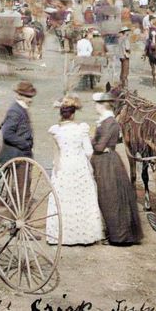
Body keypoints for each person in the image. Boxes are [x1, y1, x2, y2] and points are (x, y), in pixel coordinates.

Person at [46, 95, 104, 245]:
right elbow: (89, 151)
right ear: (73, 114)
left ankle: (61, 235)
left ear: (62, 114)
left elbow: (56, 153)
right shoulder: (81, 129)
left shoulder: (56, 131)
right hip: (78, 166)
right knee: (80, 197)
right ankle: (83, 235)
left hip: (63, 165)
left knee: (63, 198)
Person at [90, 92, 143, 245]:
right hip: (104, 160)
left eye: (97, 104)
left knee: (110, 199)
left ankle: (117, 237)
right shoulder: (105, 121)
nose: (95, 107)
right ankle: (112, 233)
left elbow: (99, 146)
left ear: (103, 105)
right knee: (107, 197)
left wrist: (90, 140)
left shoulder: (110, 122)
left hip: (107, 163)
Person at [0, 81, 37, 164]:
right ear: (19, 96)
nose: (30, 100)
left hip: (22, 155)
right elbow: (7, 134)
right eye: (28, 97)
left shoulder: (21, 109)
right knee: (22, 177)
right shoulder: (15, 111)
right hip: (16, 157)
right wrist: (25, 144)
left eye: (31, 97)